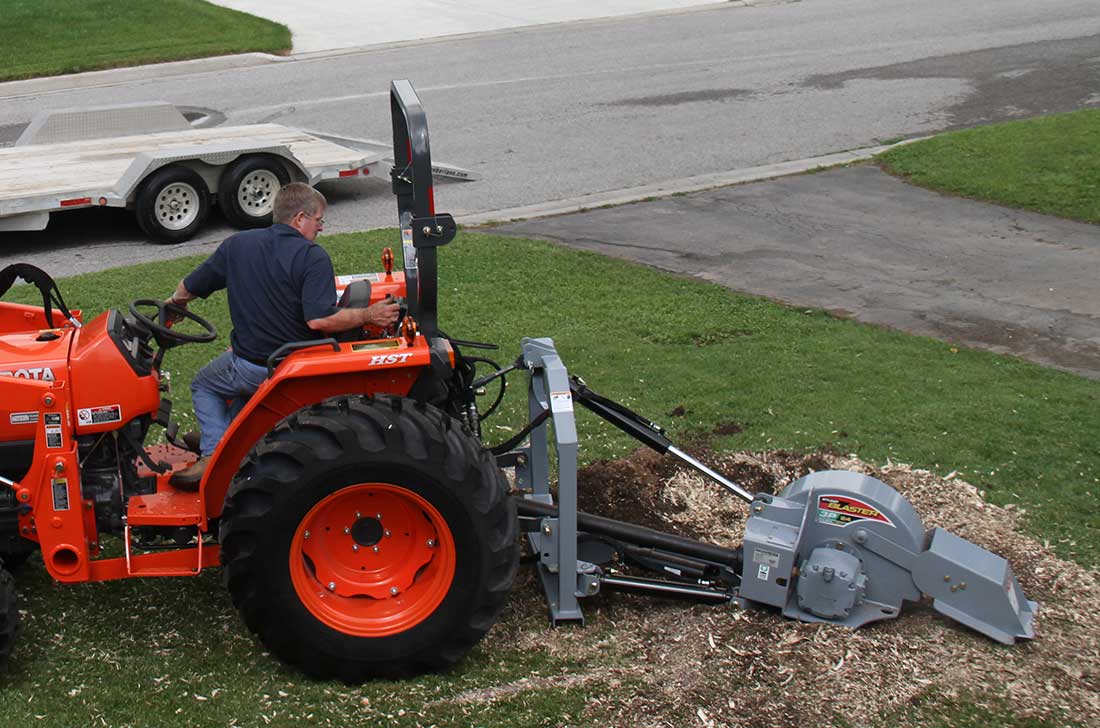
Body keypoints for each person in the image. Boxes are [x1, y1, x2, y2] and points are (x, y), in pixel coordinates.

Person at [165, 182, 399, 489]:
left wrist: (174, 304)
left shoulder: (237, 245)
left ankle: (215, 452)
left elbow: (188, 287)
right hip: (289, 363)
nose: (321, 228)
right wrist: (369, 315)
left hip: (257, 363)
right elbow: (319, 320)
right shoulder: (312, 256)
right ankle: (221, 444)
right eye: (319, 221)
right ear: (300, 218)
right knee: (219, 377)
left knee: (204, 383)